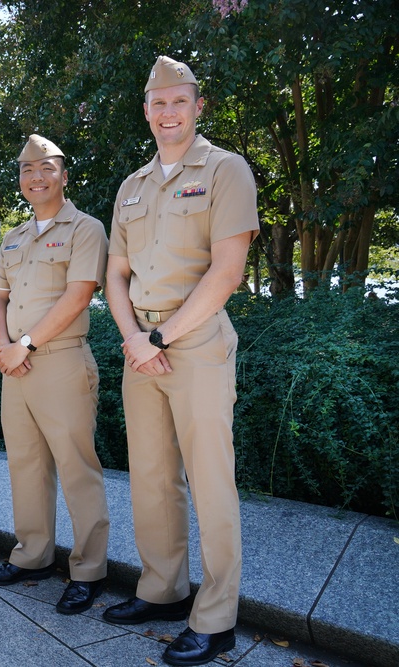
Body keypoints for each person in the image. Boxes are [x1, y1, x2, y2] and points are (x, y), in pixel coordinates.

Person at [102, 56, 258, 666]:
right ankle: (162, 591)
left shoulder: (225, 170)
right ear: (146, 112)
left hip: (192, 345)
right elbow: (115, 275)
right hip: (139, 346)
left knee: (210, 481)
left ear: (198, 106)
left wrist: (159, 339)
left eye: (179, 102)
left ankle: (216, 619)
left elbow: (227, 271)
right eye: (157, 104)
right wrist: (134, 339)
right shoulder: (131, 187)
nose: (168, 112)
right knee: (151, 477)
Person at [0, 134, 111, 614]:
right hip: (13, 365)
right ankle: (33, 555)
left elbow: (78, 296)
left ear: (63, 174)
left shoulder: (85, 228)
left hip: (59, 360)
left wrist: (26, 344)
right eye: (27, 171)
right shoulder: (14, 236)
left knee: (78, 469)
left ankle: (89, 571)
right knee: (26, 465)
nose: (35, 178)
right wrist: (3, 347)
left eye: (46, 169)